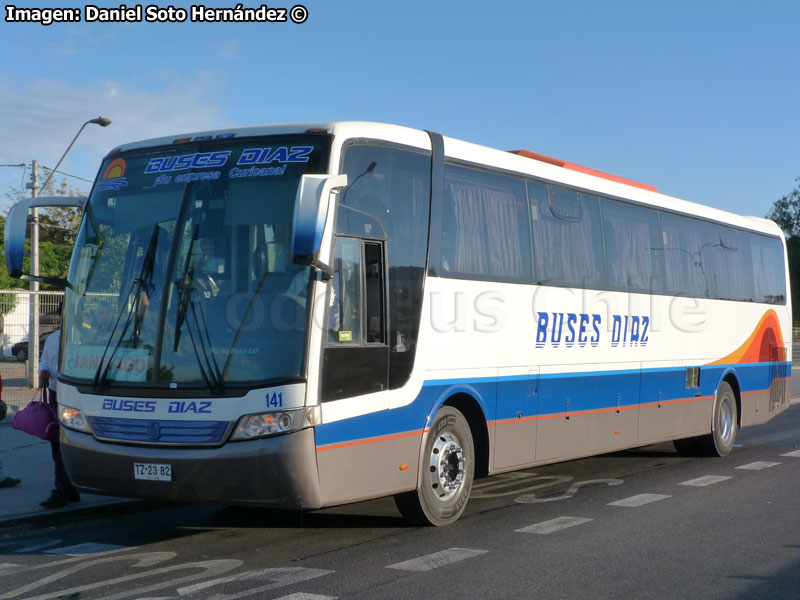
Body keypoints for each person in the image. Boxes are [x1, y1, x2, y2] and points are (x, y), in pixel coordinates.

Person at [38, 329, 80, 508]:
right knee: (56, 444)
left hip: (74, 395)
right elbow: (45, 360)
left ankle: (62, 491)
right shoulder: (53, 338)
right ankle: (70, 489)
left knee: (64, 443)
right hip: (56, 394)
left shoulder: (83, 337)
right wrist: (44, 371)